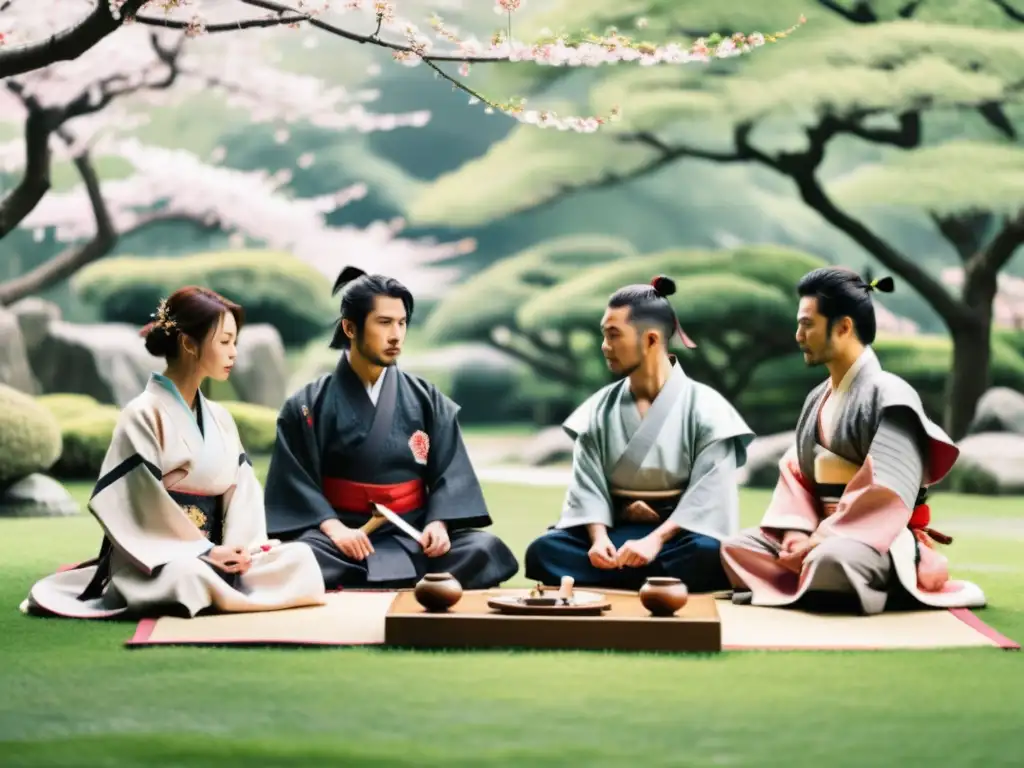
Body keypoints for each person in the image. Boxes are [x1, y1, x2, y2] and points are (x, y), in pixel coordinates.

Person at [21, 287, 326, 619]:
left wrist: (243, 549)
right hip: (163, 556)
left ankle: (227, 585)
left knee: (302, 560)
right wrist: (205, 551)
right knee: (188, 577)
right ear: (188, 343)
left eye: (234, 342)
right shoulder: (142, 413)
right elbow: (137, 501)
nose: (234, 352)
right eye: (224, 342)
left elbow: (243, 492)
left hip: (223, 553)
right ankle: (224, 587)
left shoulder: (220, 418)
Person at [721, 267, 986, 614]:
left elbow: (887, 488)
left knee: (831, 560)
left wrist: (821, 538)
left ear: (844, 327)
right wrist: (796, 535)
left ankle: (859, 582)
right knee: (736, 547)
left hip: (874, 536)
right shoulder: (818, 398)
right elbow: (796, 475)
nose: (798, 335)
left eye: (807, 324)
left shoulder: (890, 394)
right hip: (818, 531)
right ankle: (818, 580)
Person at [263, 266, 519, 590]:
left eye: (402, 323)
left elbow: (449, 475)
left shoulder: (427, 399)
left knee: (484, 549)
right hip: (343, 539)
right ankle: (404, 578)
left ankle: (359, 581)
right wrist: (335, 530)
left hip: (412, 534)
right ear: (350, 328)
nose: (396, 335)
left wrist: (438, 524)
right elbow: (295, 484)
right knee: (299, 555)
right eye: (384, 323)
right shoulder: (307, 405)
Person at [523, 276, 756, 593]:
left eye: (613, 335)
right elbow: (586, 488)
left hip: (679, 536)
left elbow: (709, 497)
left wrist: (654, 539)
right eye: (604, 335)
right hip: (616, 531)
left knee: (707, 554)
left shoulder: (708, 409)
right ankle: (644, 575)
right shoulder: (597, 411)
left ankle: (620, 574)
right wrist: (599, 539)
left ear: (650, 340)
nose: (604, 346)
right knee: (544, 551)